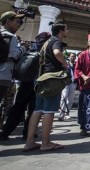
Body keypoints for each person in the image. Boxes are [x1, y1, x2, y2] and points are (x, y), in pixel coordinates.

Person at [23, 21, 68, 152]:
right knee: (49, 111)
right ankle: (45, 142)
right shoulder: (56, 41)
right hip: (51, 80)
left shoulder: (46, 42)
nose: (68, 31)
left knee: (37, 110)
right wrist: (65, 64)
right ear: (61, 31)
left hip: (41, 79)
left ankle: (29, 142)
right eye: (66, 29)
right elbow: (57, 53)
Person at [0, 32, 50, 140]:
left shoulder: (30, 49)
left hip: (25, 82)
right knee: (33, 110)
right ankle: (27, 133)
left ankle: (5, 132)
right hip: (37, 84)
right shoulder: (46, 51)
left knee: (18, 107)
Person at [0, 11, 29, 116]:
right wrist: (24, 48)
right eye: (17, 21)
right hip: (3, 75)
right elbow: (13, 56)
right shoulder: (11, 37)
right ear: (8, 21)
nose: (19, 24)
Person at [58, 52, 77, 121]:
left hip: (73, 83)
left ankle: (67, 113)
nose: (73, 57)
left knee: (71, 99)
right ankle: (61, 114)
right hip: (66, 83)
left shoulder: (76, 64)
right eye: (71, 56)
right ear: (69, 57)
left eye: (74, 56)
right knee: (64, 97)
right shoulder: (66, 64)